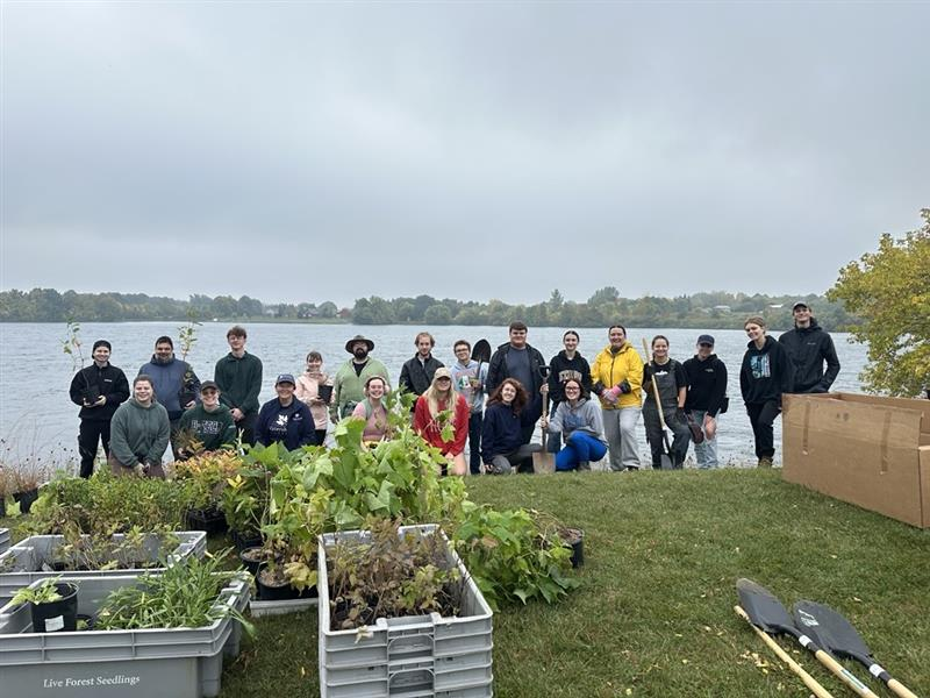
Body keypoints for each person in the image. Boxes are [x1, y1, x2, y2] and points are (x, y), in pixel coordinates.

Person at [68, 339, 130, 478]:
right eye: (99, 351)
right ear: (93, 353)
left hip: (111, 420)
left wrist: (107, 400)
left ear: (110, 354)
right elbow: (74, 393)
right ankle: (84, 483)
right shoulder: (84, 373)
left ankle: (113, 483)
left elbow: (124, 394)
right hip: (89, 420)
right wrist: (82, 401)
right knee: (87, 455)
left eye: (105, 351)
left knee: (112, 455)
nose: (102, 354)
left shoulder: (117, 373)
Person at [740, 316, 794, 468]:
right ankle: (761, 459)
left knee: (764, 423)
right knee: (757, 427)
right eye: (748, 330)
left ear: (763, 329)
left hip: (773, 397)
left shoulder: (777, 348)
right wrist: (746, 399)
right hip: (753, 398)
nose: (751, 332)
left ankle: (767, 456)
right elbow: (744, 377)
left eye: (754, 328)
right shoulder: (749, 353)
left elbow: (787, 373)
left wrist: (784, 398)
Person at [486, 321, 548, 448]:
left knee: (525, 440)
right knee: (507, 440)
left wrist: (544, 407)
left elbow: (544, 380)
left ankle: (523, 466)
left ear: (526, 334)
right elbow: (491, 380)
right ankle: (504, 462)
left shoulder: (535, 355)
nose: (518, 336)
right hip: (507, 407)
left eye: (521, 333)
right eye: (515, 333)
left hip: (529, 406)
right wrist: (495, 402)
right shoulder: (500, 354)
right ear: (510, 334)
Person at [590, 325, 644, 471]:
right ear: (609, 337)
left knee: (626, 428)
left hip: (629, 403)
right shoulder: (602, 355)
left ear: (624, 336)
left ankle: (632, 464)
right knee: (612, 437)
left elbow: (636, 377)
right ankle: (616, 467)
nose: (616, 337)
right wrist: (603, 392)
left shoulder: (632, 354)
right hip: (607, 404)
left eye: (619, 334)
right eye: (613, 335)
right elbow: (593, 376)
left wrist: (616, 390)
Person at [138, 336, 200, 458]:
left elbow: (197, 386)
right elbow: (138, 390)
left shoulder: (184, 367)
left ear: (172, 350)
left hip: (178, 419)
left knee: (183, 455)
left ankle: (182, 477)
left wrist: (196, 401)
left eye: (167, 348)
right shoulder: (146, 368)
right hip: (153, 418)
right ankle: (151, 476)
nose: (163, 351)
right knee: (149, 455)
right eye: (160, 348)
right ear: (155, 350)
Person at [641, 335, 691, 470]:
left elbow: (683, 388)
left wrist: (681, 407)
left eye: (663, 346)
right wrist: (649, 378)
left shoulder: (676, 366)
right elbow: (645, 389)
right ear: (652, 348)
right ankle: (658, 466)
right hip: (652, 405)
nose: (660, 349)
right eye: (657, 346)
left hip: (672, 406)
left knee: (684, 432)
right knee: (655, 439)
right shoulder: (647, 366)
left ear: (668, 347)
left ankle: (675, 460)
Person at [108, 375, 170, 478]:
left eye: (146, 388)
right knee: (127, 487)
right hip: (123, 458)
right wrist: (135, 464)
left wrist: (150, 460)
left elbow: (162, 438)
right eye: (138, 388)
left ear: (152, 390)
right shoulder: (122, 412)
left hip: (149, 459)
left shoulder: (161, 411)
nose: (142, 391)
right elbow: (118, 441)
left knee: (158, 484)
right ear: (133, 390)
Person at [683, 335, 728, 469]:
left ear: (712, 348)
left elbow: (720, 390)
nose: (705, 348)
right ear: (697, 346)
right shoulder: (688, 365)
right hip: (694, 408)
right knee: (697, 436)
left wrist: (711, 413)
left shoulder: (718, 365)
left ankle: (712, 465)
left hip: (712, 407)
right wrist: (686, 410)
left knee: (709, 432)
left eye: (708, 346)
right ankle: (702, 465)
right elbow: (683, 388)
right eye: (703, 345)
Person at [542, 378, 607, 472]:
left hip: (596, 446)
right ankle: (576, 464)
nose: (571, 391)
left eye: (575, 388)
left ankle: (584, 467)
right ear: (564, 390)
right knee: (558, 464)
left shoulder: (591, 406)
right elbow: (557, 426)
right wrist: (547, 426)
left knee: (577, 436)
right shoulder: (562, 406)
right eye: (568, 388)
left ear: (580, 390)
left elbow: (597, 430)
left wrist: (574, 434)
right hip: (574, 445)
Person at [413, 368, 469, 476]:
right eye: (440, 379)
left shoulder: (460, 401)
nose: (443, 382)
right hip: (432, 449)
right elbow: (420, 429)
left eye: (446, 379)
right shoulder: (423, 401)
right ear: (434, 381)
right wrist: (431, 451)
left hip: (452, 449)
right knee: (433, 474)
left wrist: (453, 452)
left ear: (450, 382)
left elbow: (463, 430)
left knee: (458, 472)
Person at [214, 325, 263, 446]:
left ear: (244, 340)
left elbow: (255, 389)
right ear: (228, 341)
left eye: (239, 337)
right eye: (232, 338)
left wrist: (242, 410)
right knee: (229, 447)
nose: (236, 340)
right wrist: (231, 409)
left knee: (250, 449)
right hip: (228, 413)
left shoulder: (255, 362)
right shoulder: (221, 364)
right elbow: (219, 390)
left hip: (250, 413)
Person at [778, 301, 841, 394]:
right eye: (798, 311)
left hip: (814, 391)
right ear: (794, 315)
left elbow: (834, 365)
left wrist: (823, 386)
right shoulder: (785, 338)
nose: (801, 313)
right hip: (790, 391)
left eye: (804, 310)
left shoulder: (823, 337)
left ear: (810, 313)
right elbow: (779, 366)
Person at [480, 378, 541, 475]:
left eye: (512, 391)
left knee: (537, 448)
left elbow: (530, 419)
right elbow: (486, 436)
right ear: (501, 392)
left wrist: (541, 396)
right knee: (505, 471)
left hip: (514, 452)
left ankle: (524, 471)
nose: (509, 393)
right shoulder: (492, 411)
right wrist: (486, 459)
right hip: (498, 454)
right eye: (507, 390)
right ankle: (492, 469)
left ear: (516, 394)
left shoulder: (517, 409)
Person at [546, 330, 592, 455]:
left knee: (575, 434)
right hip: (560, 404)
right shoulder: (556, 361)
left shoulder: (582, 362)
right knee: (554, 433)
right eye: (568, 340)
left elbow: (587, 383)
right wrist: (559, 398)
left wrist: (582, 399)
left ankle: (573, 459)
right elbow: (552, 382)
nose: (570, 343)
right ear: (564, 342)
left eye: (573, 340)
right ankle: (552, 460)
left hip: (577, 406)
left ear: (577, 342)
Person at [450, 339, 489, 475]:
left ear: (469, 351)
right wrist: (462, 407)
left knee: (475, 443)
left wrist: (481, 386)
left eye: (464, 350)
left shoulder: (481, 368)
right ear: (455, 353)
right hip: (460, 414)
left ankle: (475, 470)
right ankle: (457, 469)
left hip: (476, 412)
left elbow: (490, 388)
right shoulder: (453, 371)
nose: (462, 353)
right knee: (458, 443)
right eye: (458, 351)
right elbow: (453, 393)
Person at [332, 335, 391, 420]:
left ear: (367, 348)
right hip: (348, 412)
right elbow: (335, 391)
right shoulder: (343, 368)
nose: (360, 347)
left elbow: (388, 390)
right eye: (356, 345)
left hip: (373, 411)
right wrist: (333, 411)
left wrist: (389, 410)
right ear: (352, 349)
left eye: (362, 345)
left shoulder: (378, 367)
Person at [176, 381, 237, 457]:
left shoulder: (226, 415)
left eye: (212, 392)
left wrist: (215, 454)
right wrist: (180, 447)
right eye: (205, 393)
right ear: (200, 396)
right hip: (194, 458)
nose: (209, 395)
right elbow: (180, 437)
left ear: (218, 394)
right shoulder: (189, 415)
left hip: (218, 459)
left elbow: (230, 442)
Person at [255, 374, 315, 451]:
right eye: (281, 386)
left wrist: (297, 454)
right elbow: (258, 433)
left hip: (295, 456)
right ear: (276, 388)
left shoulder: (303, 409)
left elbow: (309, 436)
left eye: (288, 386)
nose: (284, 389)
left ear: (294, 388)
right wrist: (264, 452)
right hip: (270, 455)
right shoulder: (267, 407)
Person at [294, 350, 333, 446]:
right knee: (306, 449)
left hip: (322, 421)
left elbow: (333, 399)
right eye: (311, 361)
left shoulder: (327, 380)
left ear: (321, 363)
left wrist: (327, 401)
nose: (314, 364)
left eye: (317, 361)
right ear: (307, 363)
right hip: (305, 420)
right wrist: (311, 400)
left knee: (319, 449)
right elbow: (296, 400)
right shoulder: (301, 380)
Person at [399, 332, 444, 406]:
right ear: (417, 345)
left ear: (431, 345)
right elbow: (403, 389)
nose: (424, 347)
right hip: (414, 408)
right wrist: (418, 400)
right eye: (421, 344)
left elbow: (443, 387)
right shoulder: (408, 366)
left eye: (427, 344)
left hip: (434, 406)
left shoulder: (438, 365)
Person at [351, 375, 391, 443]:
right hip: (364, 448)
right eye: (373, 387)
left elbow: (390, 434)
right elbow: (356, 438)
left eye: (379, 387)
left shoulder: (386, 408)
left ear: (384, 390)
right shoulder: (361, 408)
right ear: (368, 390)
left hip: (383, 447)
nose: (376, 390)